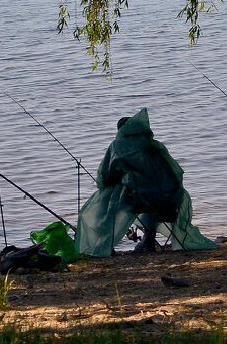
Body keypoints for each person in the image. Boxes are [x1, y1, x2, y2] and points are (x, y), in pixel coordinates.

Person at [75, 108, 217, 256]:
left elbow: (106, 176)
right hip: (170, 196)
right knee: (150, 194)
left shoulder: (117, 145)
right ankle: (149, 239)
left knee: (103, 203)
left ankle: (104, 246)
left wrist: (110, 184)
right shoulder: (152, 144)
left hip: (140, 198)